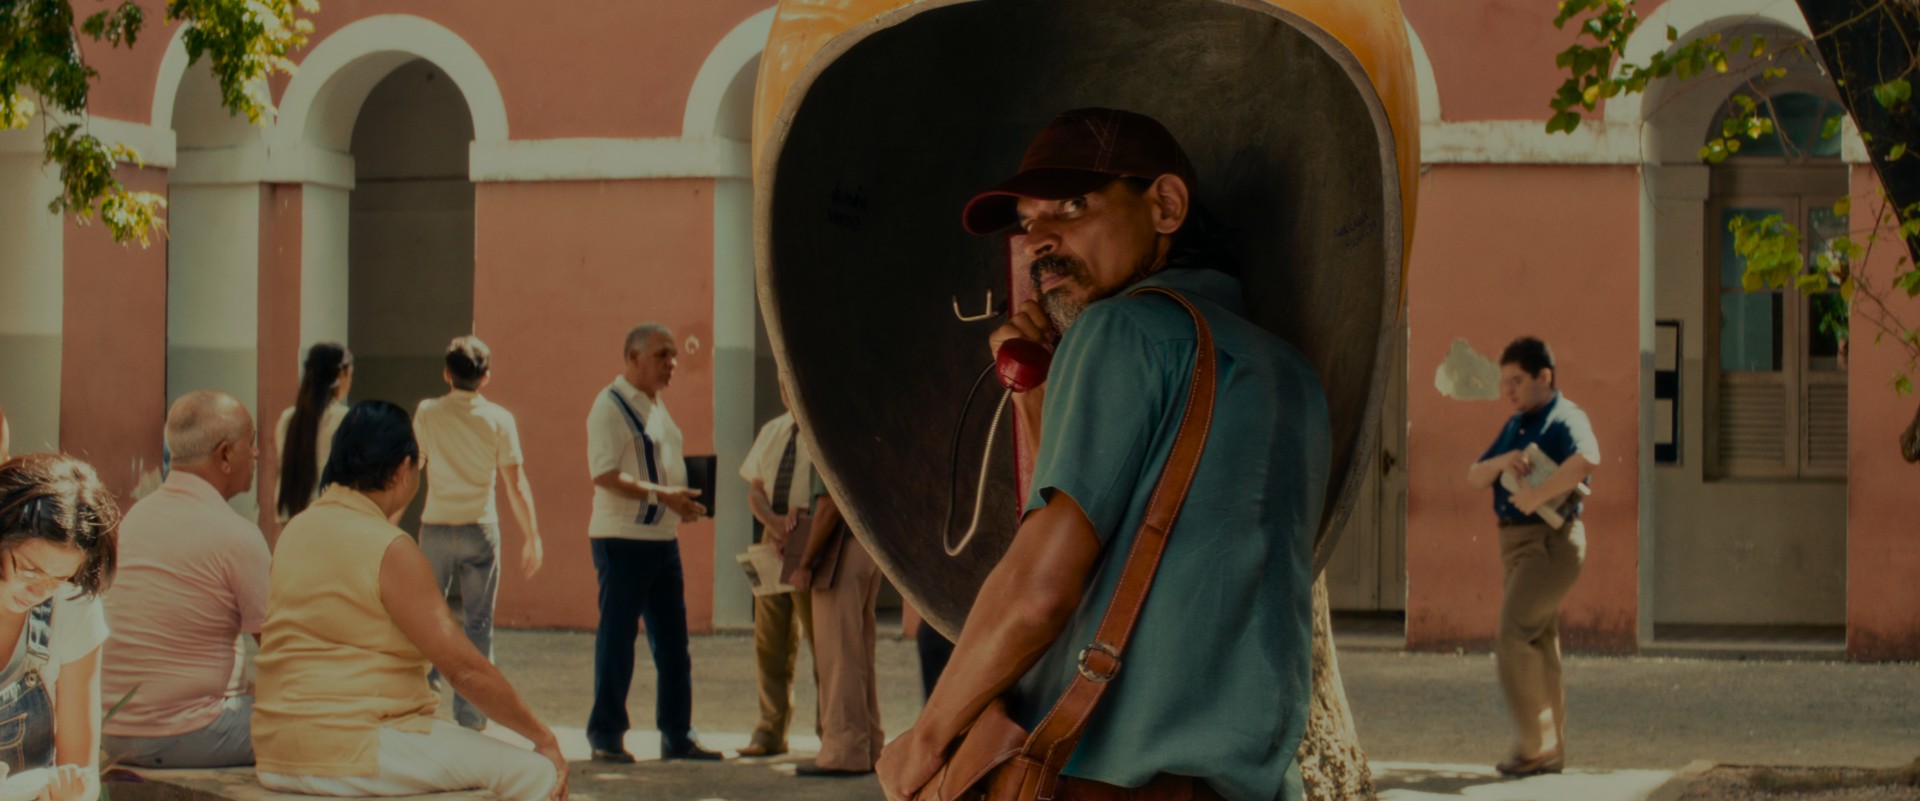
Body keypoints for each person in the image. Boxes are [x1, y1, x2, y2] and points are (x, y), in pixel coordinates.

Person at [875, 108, 1330, 801]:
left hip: (1108, 778)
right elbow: (1134, 540)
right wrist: (1039, 396)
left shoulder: (1121, 332)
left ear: (1166, 204)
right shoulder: (1289, 370)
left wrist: (926, 742)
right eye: (1027, 222)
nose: (1040, 242)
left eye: (1074, 206)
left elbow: (1040, 588)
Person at [252, 401, 566, 801]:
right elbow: (464, 671)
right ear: (404, 469)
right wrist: (544, 737)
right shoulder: (390, 547)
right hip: (356, 749)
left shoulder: (295, 530)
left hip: (278, 752)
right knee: (537, 773)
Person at [101, 391, 269, 768]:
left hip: (113, 730)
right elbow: (282, 648)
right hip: (190, 733)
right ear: (225, 455)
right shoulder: (237, 536)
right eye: (251, 442)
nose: (256, 455)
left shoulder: (134, 518)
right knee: (324, 719)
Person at [583, 324, 722, 762]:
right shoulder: (610, 406)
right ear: (633, 357)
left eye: (675, 355)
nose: (672, 364)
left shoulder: (655, 405)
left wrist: (684, 500)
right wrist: (665, 496)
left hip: (661, 539)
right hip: (622, 540)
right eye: (663, 355)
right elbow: (603, 474)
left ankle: (677, 734)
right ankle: (606, 735)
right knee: (618, 641)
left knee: (674, 645)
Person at [1464, 336, 1598, 777]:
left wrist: (1538, 492)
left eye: (1517, 380)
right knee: (1538, 640)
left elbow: (1587, 458)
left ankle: (1535, 745)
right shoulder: (1516, 425)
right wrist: (1505, 459)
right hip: (1517, 544)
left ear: (1545, 376)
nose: (1509, 391)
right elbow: (1475, 476)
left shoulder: (1564, 416)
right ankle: (1550, 748)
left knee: (1513, 634)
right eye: (1505, 382)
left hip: (1549, 544)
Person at [413, 336, 544, 731]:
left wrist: (386, 518)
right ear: (486, 377)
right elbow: (515, 483)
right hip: (480, 528)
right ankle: (471, 716)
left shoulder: (427, 412)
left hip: (434, 526)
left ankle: (425, 699)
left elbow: (412, 467)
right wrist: (532, 534)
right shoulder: (499, 419)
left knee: (427, 618)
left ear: (446, 373)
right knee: (478, 624)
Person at [0, 454, 122, 801]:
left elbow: (82, 773)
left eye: (59, 578)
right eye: (29, 570)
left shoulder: (71, 604)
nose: (39, 591)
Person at [737, 387, 815, 758]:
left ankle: (830, 731)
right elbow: (755, 490)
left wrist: (795, 526)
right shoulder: (772, 431)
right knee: (770, 641)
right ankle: (770, 730)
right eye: (781, 384)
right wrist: (774, 522)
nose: (787, 390)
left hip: (812, 537)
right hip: (772, 540)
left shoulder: (821, 430)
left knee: (821, 641)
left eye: (791, 381)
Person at [788, 482, 883, 777]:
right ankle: (869, 748)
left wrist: (804, 563)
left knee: (838, 653)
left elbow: (829, 505)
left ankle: (843, 752)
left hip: (841, 548)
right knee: (859, 652)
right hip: (869, 546)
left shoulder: (831, 435)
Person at [275, 342, 353, 522]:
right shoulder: (346, 418)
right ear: (341, 375)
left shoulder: (288, 419)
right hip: (332, 519)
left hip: (292, 518)